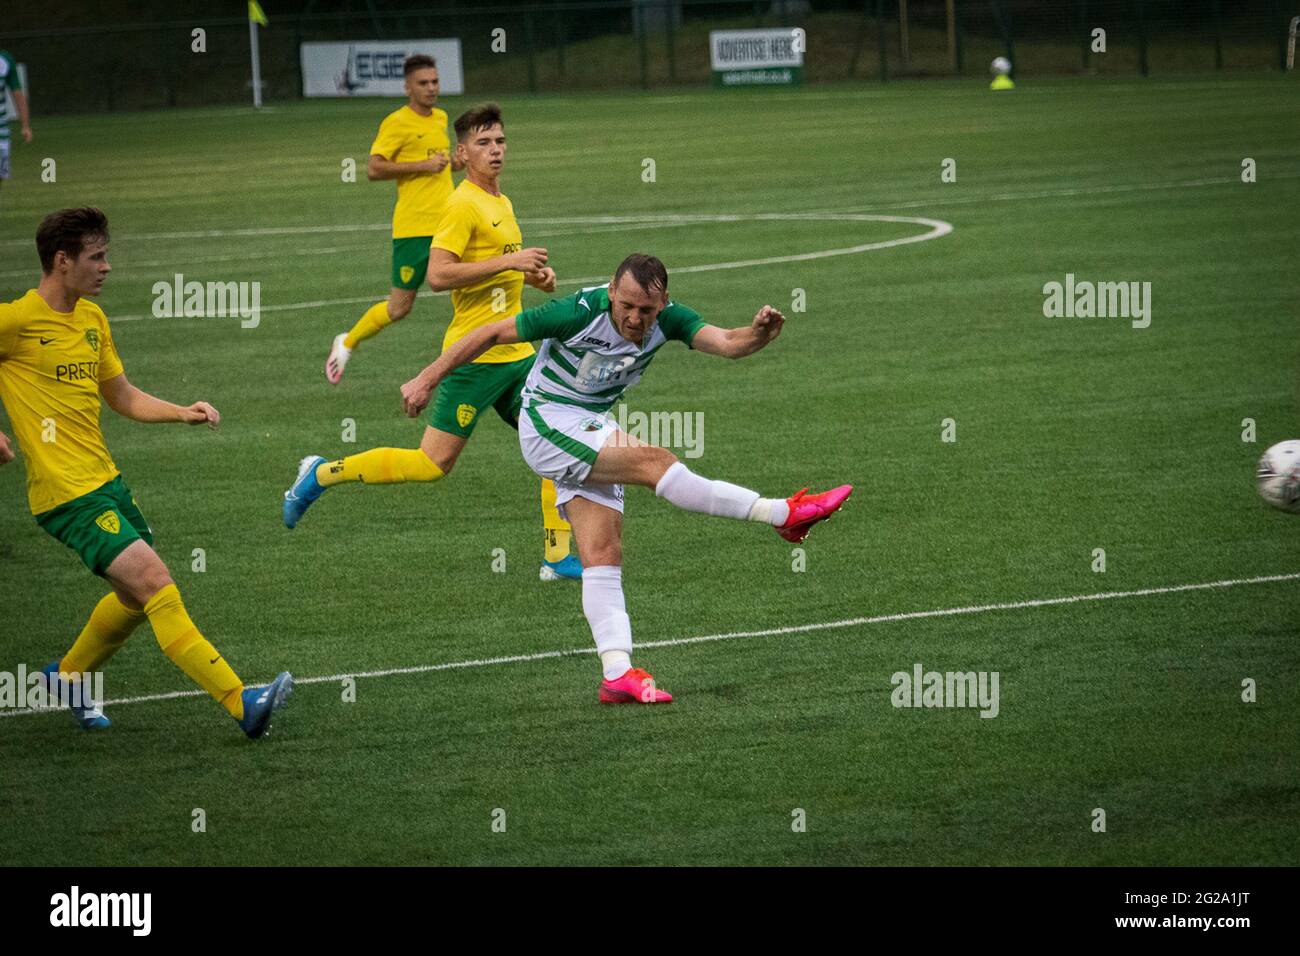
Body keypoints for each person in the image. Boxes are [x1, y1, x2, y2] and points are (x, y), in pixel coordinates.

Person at [398, 253, 853, 703]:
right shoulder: (576, 312)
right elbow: (493, 332)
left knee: (603, 554)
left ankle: (616, 673)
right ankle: (782, 514)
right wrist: (426, 378)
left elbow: (728, 341)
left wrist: (758, 335)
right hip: (547, 421)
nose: (636, 318)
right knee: (655, 460)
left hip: (589, 424)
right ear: (612, 291)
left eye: (647, 310)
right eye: (627, 306)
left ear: (664, 303)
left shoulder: (670, 319)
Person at [0, 208, 292, 736]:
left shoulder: (92, 320)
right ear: (61, 261)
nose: (108, 266)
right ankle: (241, 702)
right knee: (156, 583)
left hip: (105, 481)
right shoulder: (15, 322)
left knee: (134, 598)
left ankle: (67, 677)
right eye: (97, 256)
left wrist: (182, 410)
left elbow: (123, 396)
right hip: (65, 494)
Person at [286, 103, 583, 579]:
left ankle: (556, 555)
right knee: (431, 464)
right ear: (461, 154)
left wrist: (534, 278)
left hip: (516, 353)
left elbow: (494, 272)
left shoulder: (501, 203)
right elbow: (439, 276)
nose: (495, 150)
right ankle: (321, 473)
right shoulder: (462, 204)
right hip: (473, 357)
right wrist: (511, 263)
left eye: (500, 141)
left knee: (555, 441)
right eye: (483, 144)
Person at [324, 54, 460, 384]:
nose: (431, 88)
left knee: (472, 285)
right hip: (414, 227)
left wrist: (456, 162)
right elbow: (374, 168)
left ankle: (470, 360)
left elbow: (437, 165)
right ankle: (347, 341)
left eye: (435, 82)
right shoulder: (397, 122)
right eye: (423, 83)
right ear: (407, 87)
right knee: (399, 308)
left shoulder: (440, 117)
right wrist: (421, 167)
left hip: (449, 221)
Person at [0, 48, 32, 188]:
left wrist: (25, 125)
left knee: (1, 173)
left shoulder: (4, 59)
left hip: (1, 131)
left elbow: (18, 93)